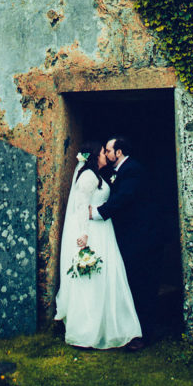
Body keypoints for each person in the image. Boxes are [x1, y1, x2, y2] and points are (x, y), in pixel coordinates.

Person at [54, 141, 141, 349]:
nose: (106, 156)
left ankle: (114, 327)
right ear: (95, 156)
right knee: (93, 279)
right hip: (93, 232)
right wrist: (83, 234)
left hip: (105, 231)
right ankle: (87, 329)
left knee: (109, 276)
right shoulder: (88, 176)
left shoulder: (99, 176)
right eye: (103, 152)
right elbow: (81, 206)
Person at [86, 135, 162, 347]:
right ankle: (131, 330)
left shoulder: (132, 170)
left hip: (142, 237)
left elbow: (125, 198)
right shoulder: (119, 171)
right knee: (132, 281)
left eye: (109, 151)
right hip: (132, 236)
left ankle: (142, 335)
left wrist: (98, 212)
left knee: (141, 284)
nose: (107, 154)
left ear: (118, 152)